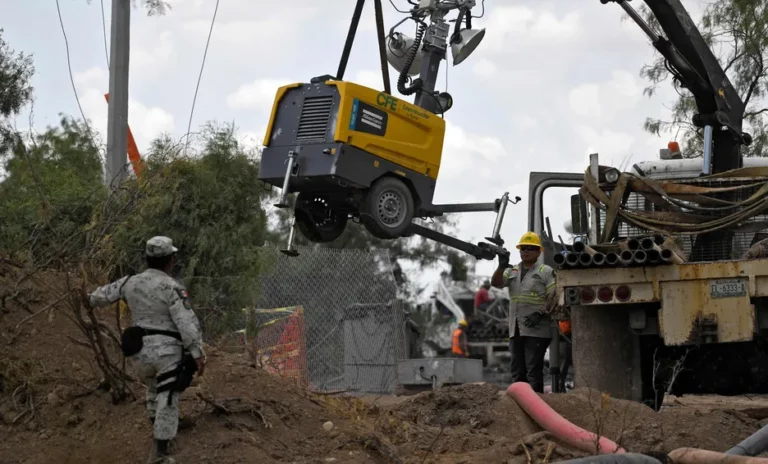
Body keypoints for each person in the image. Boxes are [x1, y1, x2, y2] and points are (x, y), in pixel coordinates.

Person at [85, 236, 206, 464]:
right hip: (167, 351)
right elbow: (186, 323)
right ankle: (160, 453)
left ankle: (159, 433)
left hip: (139, 353)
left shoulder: (129, 282)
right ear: (171, 260)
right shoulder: (172, 287)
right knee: (167, 395)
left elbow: (100, 296)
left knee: (153, 389)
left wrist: (86, 298)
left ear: (147, 259)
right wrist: (197, 353)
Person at [491, 231, 556, 393]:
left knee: (533, 370)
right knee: (517, 370)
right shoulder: (511, 271)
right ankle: (520, 405)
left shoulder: (545, 271)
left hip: (537, 330)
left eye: (530, 248)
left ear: (538, 251)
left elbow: (554, 296)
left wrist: (540, 313)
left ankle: (536, 403)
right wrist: (501, 266)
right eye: (522, 249)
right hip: (516, 329)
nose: (525, 251)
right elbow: (496, 283)